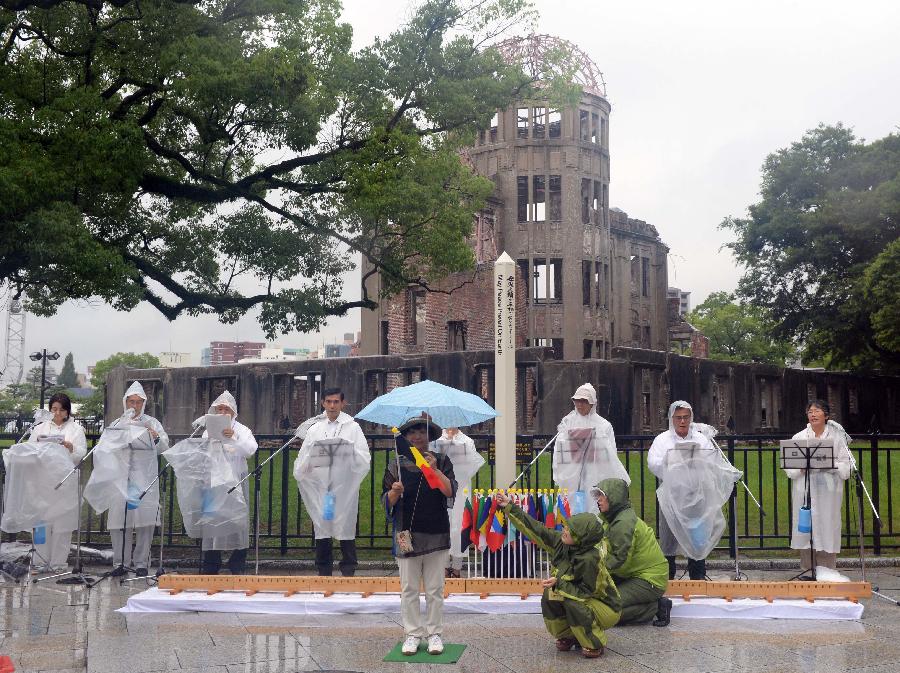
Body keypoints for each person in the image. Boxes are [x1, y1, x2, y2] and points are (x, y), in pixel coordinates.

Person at [494, 490, 620, 658]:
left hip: (605, 606)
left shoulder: (591, 559)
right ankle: (567, 636)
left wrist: (559, 583)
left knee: (572, 603)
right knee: (550, 596)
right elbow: (536, 529)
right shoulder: (562, 542)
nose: (565, 530)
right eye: (567, 526)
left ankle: (594, 643)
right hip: (579, 595)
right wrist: (509, 506)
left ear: (582, 538)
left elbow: (585, 592)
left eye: (571, 530)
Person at [383, 417, 456, 656]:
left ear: (430, 436)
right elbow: (386, 501)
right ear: (405, 437)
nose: (417, 437)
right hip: (406, 533)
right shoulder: (397, 465)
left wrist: (433, 470)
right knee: (409, 588)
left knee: (435, 588)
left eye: (422, 432)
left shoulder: (442, 460)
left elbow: (449, 491)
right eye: (412, 433)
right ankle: (412, 634)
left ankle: (435, 633)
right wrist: (395, 492)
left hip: (436, 531)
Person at [648, 401, 740, 580]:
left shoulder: (700, 438)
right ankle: (668, 579)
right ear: (672, 419)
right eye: (678, 418)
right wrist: (670, 461)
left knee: (697, 538)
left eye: (686, 417)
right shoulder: (662, 439)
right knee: (669, 538)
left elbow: (712, 460)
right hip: (672, 496)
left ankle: (697, 577)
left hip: (697, 495)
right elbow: (653, 463)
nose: (682, 421)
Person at [294, 388, 370, 577]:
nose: (332, 405)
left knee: (345, 525)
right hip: (321, 486)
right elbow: (304, 456)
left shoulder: (352, 427)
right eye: (328, 402)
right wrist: (307, 466)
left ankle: (348, 568)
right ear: (323, 403)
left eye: (336, 402)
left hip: (344, 486)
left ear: (343, 403)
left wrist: (348, 449)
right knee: (323, 525)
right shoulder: (315, 429)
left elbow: (364, 457)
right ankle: (324, 569)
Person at [784, 400, 852, 582]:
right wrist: (800, 468)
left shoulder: (838, 438)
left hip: (829, 491)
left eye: (817, 411)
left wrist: (831, 464)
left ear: (826, 416)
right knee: (807, 527)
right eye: (810, 411)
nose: (813, 414)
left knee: (827, 525)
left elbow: (847, 466)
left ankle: (828, 570)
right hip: (805, 489)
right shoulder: (799, 437)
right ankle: (807, 570)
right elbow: (789, 467)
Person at [108, 382, 169, 577]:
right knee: (120, 522)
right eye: (131, 401)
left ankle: (142, 562)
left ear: (144, 403)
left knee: (145, 521)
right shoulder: (117, 423)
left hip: (145, 479)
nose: (135, 406)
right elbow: (106, 446)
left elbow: (165, 447)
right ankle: (120, 562)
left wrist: (155, 437)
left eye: (138, 402)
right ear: (125, 402)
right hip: (121, 479)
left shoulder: (153, 423)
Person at [591, 478, 671, 627]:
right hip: (637, 575)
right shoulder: (616, 518)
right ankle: (648, 604)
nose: (598, 500)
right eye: (597, 496)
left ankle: (655, 608)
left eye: (602, 495)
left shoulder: (623, 523)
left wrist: (593, 570)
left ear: (613, 497)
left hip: (649, 579)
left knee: (607, 610)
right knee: (600, 599)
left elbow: (620, 560)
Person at [200, 391, 257, 574]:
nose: (223, 412)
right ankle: (211, 563)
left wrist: (233, 438)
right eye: (220, 409)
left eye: (226, 409)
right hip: (214, 481)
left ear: (233, 411)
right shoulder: (208, 430)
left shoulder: (242, 430)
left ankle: (237, 562)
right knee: (212, 520)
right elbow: (203, 453)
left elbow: (250, 450)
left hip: (236, 481)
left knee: (238, 520)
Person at [28, 393, 87, 572]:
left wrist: (70, 448)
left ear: (67, 411)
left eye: (61, 409)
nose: (57, 413)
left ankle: (58, 563)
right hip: (43, 481)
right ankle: (40, 561)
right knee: (42, 523)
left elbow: (81, 453)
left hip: (65, 481)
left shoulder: (76, 429)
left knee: (63, 524)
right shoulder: (40, 428)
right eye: (54, 409)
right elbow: (30, 450)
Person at [553, 383, 630, 514]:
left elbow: (611, 453)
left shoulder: (604, 425)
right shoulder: (568, 422)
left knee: (593, 503)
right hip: (573, 476)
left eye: (584, 401)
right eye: (577, 401)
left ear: (592, 403)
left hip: (596, 474)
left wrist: (599, 440)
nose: (579, 405)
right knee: (571, 506)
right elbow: (559, 448)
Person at [431, 427, 484, 578]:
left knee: (460, 526)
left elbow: (472, 466)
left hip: (461, 488)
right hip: (442, 487)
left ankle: (457, 566)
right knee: (443, 524)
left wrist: (456, 446)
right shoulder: (436, 441)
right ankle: (444, 566)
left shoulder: (467, 441)